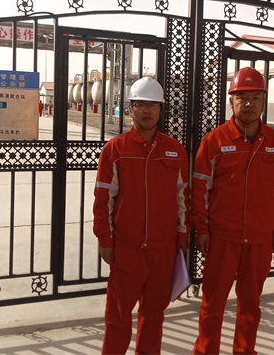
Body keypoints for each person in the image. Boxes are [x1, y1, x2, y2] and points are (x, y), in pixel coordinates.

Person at [191, 66, 274, 355]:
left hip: (260, 238)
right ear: (231, 100)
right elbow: (199, 190)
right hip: (223, 237)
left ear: (264, 100)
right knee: (213, 303)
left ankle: (245, 351)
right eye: (242, 97)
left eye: (256, 98)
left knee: (250, 305)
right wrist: (202, 230)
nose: (249, 104)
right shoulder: (214, 141)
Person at [93, 76, 191, 355]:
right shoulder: (116, 149)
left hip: (163, 249)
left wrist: (182, 234)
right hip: (127, 249)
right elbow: (103, 200)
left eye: (153, 105)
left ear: (161, 110)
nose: (147, 111)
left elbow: (183, 198)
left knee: (154, 315)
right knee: (118, 316)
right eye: (140, 104)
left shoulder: (175, 150)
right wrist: (105, 240)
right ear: (130, 108)